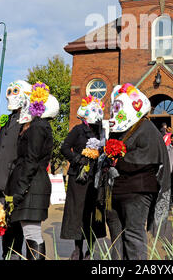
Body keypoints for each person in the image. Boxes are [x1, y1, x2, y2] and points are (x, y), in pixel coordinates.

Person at [103, 83, 170, 260]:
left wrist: (118, 161)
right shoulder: (121, 130)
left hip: (137, 191)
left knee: (133, 234)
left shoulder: (146, 128)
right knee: (118, 236)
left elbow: (147, 159)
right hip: (117, 190)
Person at [4, 82, 59, 260]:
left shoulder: (38, 127)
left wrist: (20, 190)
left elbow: (31, 160)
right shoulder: (36, 126)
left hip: (32, 185)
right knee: (30, 233)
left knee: (32, 233)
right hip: (32, 184)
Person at [0, 80, 32, 259]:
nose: (11, 96)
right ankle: (7, 254)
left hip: (13, 180)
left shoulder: (27, 122)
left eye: (15, 92)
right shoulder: (8, 121)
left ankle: (14, 255)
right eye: (9, 91)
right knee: (1, 220)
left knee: (14, 222)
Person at [60, 95, 107, 260]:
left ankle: (90, 249)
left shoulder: (102, 132)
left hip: (96, 177)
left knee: (93, 213)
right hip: (78, 179)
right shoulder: (78, 130)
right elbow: (65, 147)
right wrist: (77, 158)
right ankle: (77, 248)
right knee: (77, 213)